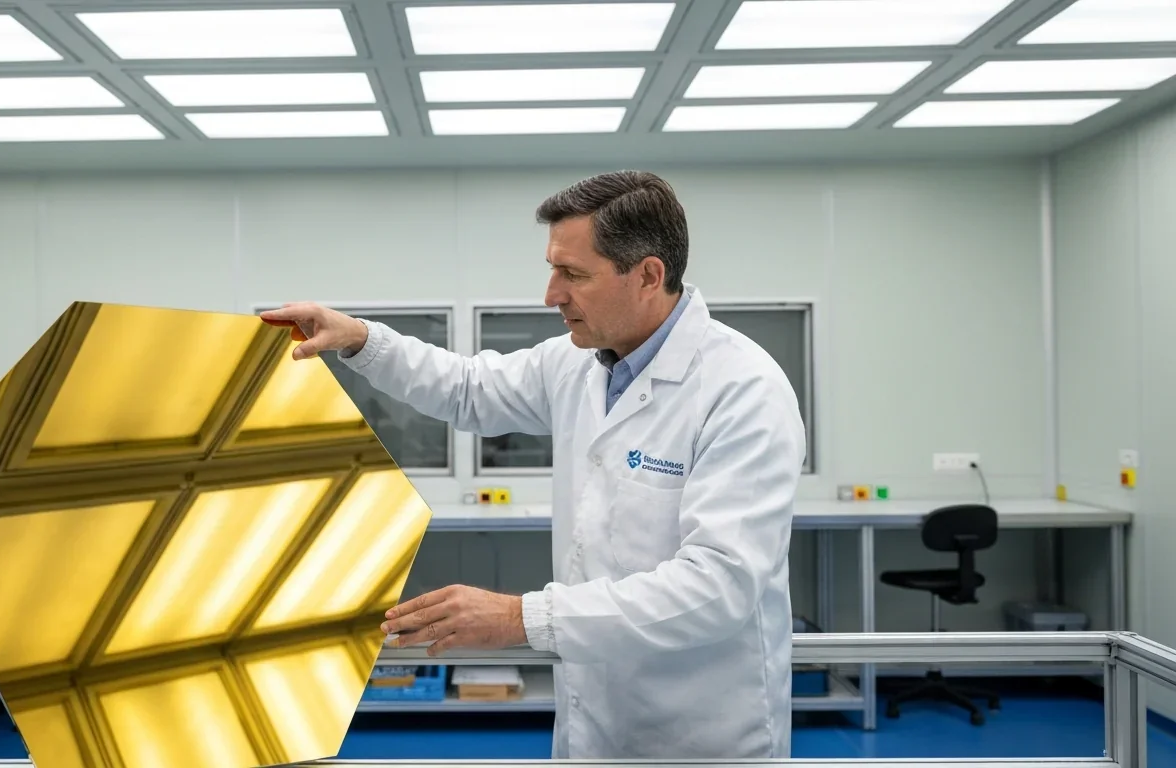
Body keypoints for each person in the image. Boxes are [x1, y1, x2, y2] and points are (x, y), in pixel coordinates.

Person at [259, 170, 805, 761]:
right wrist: (361, 339)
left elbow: (719, 586)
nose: (551, 294)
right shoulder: (578, 363)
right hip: (591, 721)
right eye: (553, 269)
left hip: (697, 730)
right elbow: (467, 389)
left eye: (573, 274)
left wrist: (523, 617)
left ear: (648, 275)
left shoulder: (742, 388)